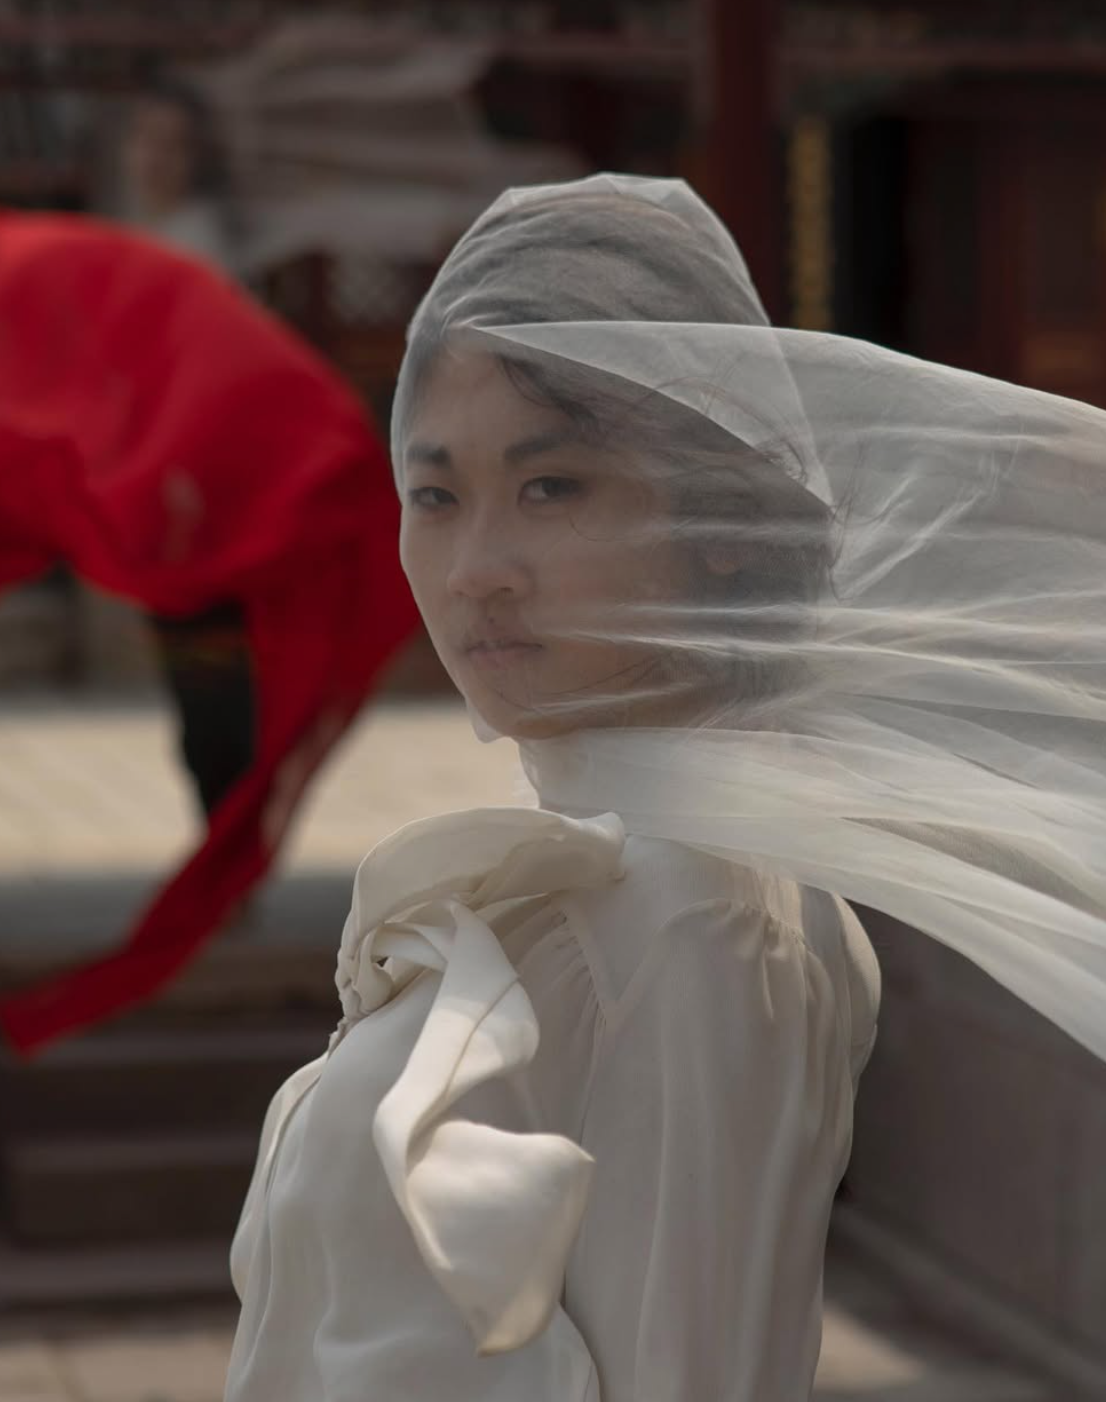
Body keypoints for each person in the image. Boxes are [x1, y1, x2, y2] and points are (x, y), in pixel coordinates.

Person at [225, 174, 1106, 1401]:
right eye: (435, 495)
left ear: (719, 515)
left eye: (552, 487)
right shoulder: (620, 874)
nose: (476, 569)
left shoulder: (697, 914)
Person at [0, 211, 418, 1054]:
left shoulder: (93, 288)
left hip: (215, 498)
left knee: (215, 704)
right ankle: (227, 875)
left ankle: (227, 878)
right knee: (211, 704)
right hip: (187, 490)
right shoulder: (92, 279)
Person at [119, 76, 240, 275]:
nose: (155, 158)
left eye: (172, 146)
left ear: (195, 158)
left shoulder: (200, 238)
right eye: (146, 139)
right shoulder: (140, 220)